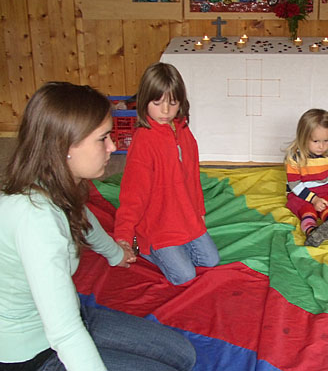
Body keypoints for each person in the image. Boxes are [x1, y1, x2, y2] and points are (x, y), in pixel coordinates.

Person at [0, 82, 196, 370]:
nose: (112, 147)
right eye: (103, 138)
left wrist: (116, 253)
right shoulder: (36, 219)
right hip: (35, 352)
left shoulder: (57, 182)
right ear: (65, 147)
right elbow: (65, 334)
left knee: (184, 355)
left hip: (70, 317)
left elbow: (84, 218)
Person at [114, 62, 220, 285]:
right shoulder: (144, 142)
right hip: (157, 226)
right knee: (184, 275)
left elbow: (192, 177)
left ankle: (174, 247)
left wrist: (199, 211)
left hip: (184, 218)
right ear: (144, 101)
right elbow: (133, 195)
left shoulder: (182, 130)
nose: (165, 111)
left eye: (172, 103)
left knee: (210, 260)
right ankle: (148, 247)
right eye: (157, 102)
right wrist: (123, 236)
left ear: (181, 102)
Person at [285, 109, 328, 247]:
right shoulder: (295, 156)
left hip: (324, 189)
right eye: (316, 141)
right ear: (303, 137)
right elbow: (294, 184)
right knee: (306, 209)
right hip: (302, 192)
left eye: (326, 140)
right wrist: (313, 199)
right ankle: (312, 232)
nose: (322, 146)